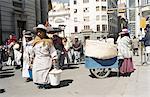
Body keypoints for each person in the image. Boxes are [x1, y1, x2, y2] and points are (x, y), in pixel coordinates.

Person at [32, 24, 57, 89]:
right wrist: (31, 59)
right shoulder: (35, 41)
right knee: (37, 72)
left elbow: (52, 51)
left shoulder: (48, 41)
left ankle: (46, 84)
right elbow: (33, 51)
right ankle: (40, 83)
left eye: (40, 32)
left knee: (45, 72)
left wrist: (54, 58)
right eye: (38, 32)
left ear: (44, 32)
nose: (39, 33)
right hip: (37, 60)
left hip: (46, 60)